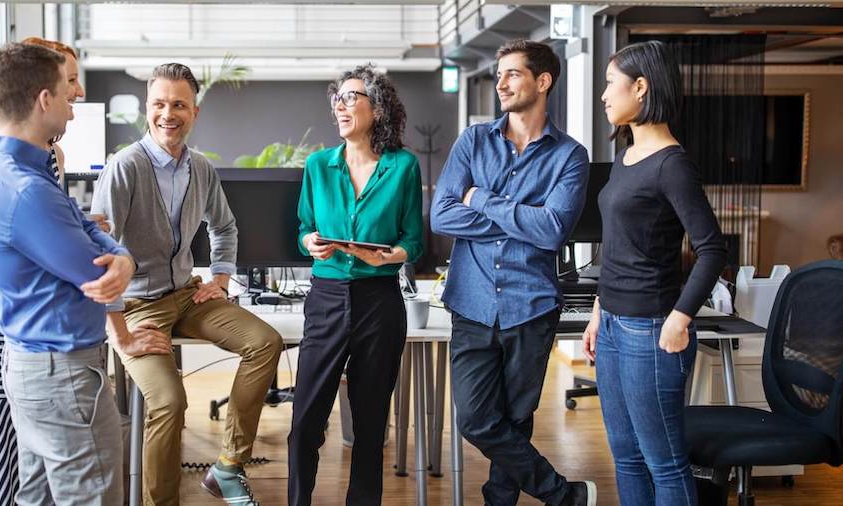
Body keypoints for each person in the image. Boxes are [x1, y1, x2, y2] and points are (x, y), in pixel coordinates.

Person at [0, 37, 124, 506]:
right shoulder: (24, 188)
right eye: (68, 84)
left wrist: (77, 232)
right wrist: (119, 255)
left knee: (35, 492)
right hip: (45, 360)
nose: (75, 104)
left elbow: (74, 224)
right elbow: (93, 270)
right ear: (43, 98)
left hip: (25, 355)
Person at [90, 63, 283, 506]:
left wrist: (219, 276)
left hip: (187, 295)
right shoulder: (125, 167)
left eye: (178, 104)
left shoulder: (200, 168)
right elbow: (99, 253)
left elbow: (225, 227)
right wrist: (119, 334)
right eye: (159, 104)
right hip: (137, 306)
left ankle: (228, 468)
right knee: (169, 402)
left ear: (194, 112)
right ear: (147, 109)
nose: (167, 114)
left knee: (266, 342)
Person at [430, 39, 596, 506]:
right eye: (499, 74)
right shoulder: (473, 141)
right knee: (477, 420)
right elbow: (441, 216)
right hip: (472, 303)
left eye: (512, 74)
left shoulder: (569, 156)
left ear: (542, 82)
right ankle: (565, 495)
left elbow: (552, 231)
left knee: (516, 421)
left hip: (531, 306)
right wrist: (522, 216)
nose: (500, 83)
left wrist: (480, 198)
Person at [585, 40, 727, 506]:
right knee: (625, 457)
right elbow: (619, 249)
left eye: (611, 83)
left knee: (663, 463)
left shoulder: (672, 165)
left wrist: (680, 317)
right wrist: (597, 311)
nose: (604, 94)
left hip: (650, 330)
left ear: (641, 87)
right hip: (612, 327)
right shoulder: (626, 159)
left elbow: (711, 249)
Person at [287, 64, 423, 506]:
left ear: (377, 108)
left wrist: (390, 255)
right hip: (326, 299)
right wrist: (310, 241)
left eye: (351, 97)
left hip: (379, 303)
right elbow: (305, 227)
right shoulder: (318, 165)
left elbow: (413, 241)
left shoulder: (403, 166)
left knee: (369, 426)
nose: (340, 106)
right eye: (337, 99)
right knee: (306, 421)